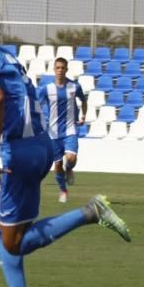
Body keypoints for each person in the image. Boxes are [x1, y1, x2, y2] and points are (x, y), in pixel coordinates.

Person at [0, 3, 131, 287]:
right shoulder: (3, 54)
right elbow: (13, 107)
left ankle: (90, 211)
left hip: (19, 152)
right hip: (39, 145)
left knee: (13, 242)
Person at [37, 57, 86, 202]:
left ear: (66, 69)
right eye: (57, 68)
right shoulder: (46, 89)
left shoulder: (74, 87)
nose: (60, 70)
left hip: (70, 129)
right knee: (57, 164)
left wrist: (83, 116)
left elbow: (83, 100)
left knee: (71, 158)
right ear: (54, 69)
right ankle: (63, 190)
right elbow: (38, 107)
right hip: (53, 132)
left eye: (62, 68)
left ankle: (69, 169)